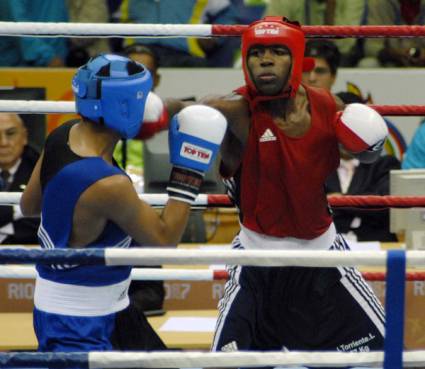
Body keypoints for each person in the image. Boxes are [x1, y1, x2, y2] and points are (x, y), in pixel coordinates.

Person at [159, 16, 388, 358]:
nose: (265, 60)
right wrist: (145, 106)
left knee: (385, 356)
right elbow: (183, 109)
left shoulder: (329, 109)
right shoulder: (235, 112)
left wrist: (371, 145)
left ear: (297, 60)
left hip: (321, 259)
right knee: (225, 364)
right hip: (256, 260)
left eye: (277, 51)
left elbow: (368, 155)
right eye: (256, 52)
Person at [20, 54, 227, 355]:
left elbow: (30, 205)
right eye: (141, 100)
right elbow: (165, 239)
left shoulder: (61, 135)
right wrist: (190, 168)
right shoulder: (108, 185)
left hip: (111, 308)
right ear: (126, 106)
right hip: (80, 324)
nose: (147, 108)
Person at [302, 40, 401, 242]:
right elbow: (303, 206)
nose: (312, 78)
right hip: (322, 251)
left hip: (374, 251)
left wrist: (338, 202)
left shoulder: (384, 165)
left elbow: (385, 207)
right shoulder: (312, 162)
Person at [264, 0, 367, 66]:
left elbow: (345, 45)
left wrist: (331, 10)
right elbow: (270, 34)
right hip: (295, 58)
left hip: (340, 61)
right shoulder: (285, 2)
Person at [0, 113, 40, 244]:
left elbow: (44, 223)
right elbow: (33, 212)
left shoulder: (41, 169)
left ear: (24, 136)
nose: (3, 143)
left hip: (28, 257)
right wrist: (17, 211)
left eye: (10, 133)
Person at [361, 0, 425, 67]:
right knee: (368, 64)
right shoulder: (379, 3)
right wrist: (393, 54)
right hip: (392, 62)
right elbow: (371, 47)